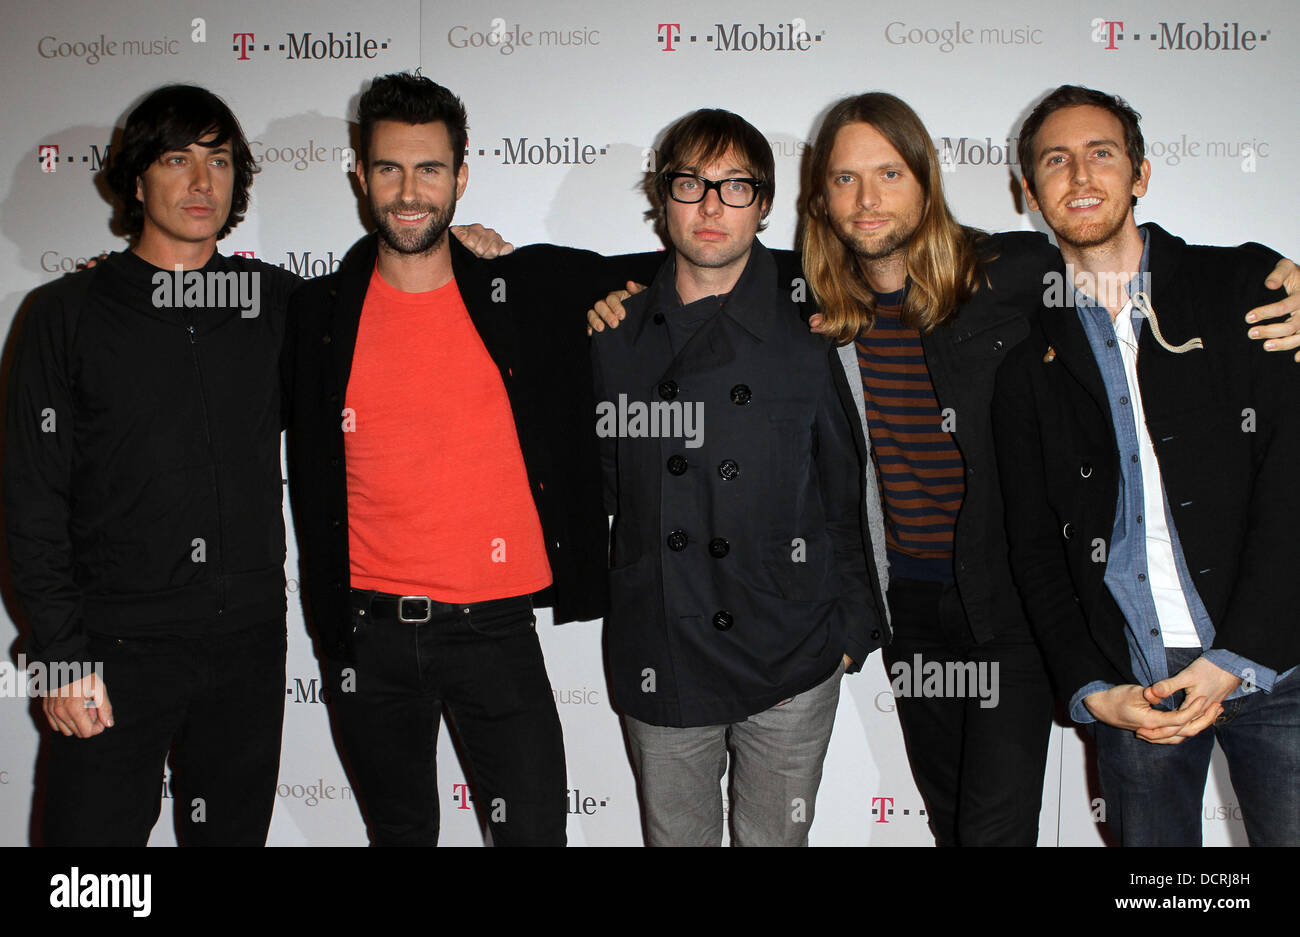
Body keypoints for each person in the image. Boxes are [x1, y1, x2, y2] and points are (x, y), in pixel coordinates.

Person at [592, 92, 1300, 846]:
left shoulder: (1012, 271)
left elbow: (1119, 256)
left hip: (1007, 608)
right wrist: (598, 294)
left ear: (926, 183)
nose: (867, 200)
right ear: (818, 201)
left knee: (994, 831)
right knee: (952, 822)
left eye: (889, 173)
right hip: (911, 612)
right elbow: (703, 253)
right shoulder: (811, 299)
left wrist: (1272, 276)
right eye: (844, 180)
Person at [282, 72, 662, 846]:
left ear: (461, 176)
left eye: (429, 168)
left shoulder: (524, 289)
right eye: (389, 168)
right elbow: (202, 308)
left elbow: (693, 270)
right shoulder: (315, 313)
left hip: (494, 631)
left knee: (533, 834)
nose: (409, 190)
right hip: (367, 634)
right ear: (360, 175)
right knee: (400, 834)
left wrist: (828, 281)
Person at [992, 85, 1300, 846]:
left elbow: (1292, 484)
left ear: (1142, 174)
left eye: (1102, 153)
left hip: (1279, 666)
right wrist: (1094, 689)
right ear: (1029, 192)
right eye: (1055, 161)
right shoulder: (1027, 364)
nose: (1081, 175)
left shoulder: (1246, 288)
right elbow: (1034, 549)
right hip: (1137, 684)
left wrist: (1239, 654)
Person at [5, 84, 299, 846]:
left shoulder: (275, 303)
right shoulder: (63, 314)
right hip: (111, 648)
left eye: (219, 160)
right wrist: (60, 656)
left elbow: (397, 297)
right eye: (177, 158)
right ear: (137, 179)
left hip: (247, 643)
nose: (201, 182)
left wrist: (472, 245)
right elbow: (31, 497)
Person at [591, 108, 886, 846]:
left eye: (735, 186)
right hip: (665, 647)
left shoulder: (814, 321)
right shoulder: (612, 332)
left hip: (791, 653)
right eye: (692, 184)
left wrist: (850, 632)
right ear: (663, 199)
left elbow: (851, 492)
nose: (713, 205)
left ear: (764, 203)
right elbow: (601, 489)